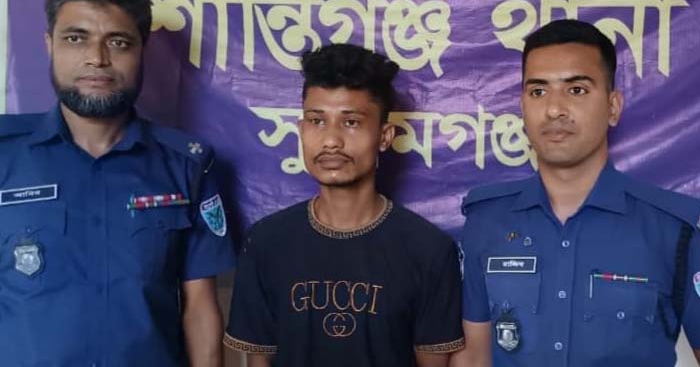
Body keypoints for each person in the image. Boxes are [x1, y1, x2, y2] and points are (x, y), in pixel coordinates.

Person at [0, 0, 235, 366]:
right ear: (49, 44)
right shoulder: (5, 156)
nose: (97, 58)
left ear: (142, 50)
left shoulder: (187, 165)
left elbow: (199, 309)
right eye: (76, 38)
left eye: (118, 42)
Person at [451, 19, 700, 367]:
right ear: (522, 107)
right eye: (538, 92)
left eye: (577, 90)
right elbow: (474, 358)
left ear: (613, 107)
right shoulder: (487, 220)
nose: (554, 109)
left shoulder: (675, 229)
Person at [224, 43, 464, 367]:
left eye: (351, 122)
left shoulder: (429, 250)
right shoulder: (265, 242)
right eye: (317, 121)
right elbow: (259, 361)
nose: (331, 141)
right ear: (301, 130)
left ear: (384, 136)